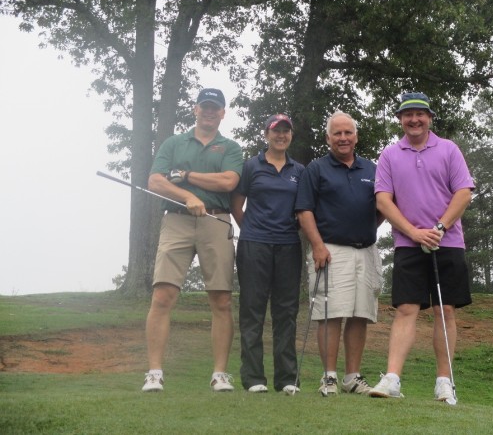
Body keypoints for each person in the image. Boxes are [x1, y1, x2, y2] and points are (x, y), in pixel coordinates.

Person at [369, 92, 474, 403]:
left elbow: (464, 193)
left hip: (448, 242)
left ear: (429, 118)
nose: (414, 119)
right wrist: (415, 232)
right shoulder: (389, 154)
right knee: (406, 309)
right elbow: (382, 200)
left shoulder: (449, 149)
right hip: (407, 242)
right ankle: (392, 379)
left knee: (446, 311)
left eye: (420, 114)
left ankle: (444, 382)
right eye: (407, 114)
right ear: (401, 120)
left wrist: (438, 228)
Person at [142, 88, 243, 393]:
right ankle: (155, 373)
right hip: (176, 220)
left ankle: (220, 374)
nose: (210, 112)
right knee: (162, 296)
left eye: (216, 108)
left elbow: (229, 181)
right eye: (205, 107)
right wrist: (186, 195)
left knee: (221, 300)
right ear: (196, 109)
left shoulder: (230, 147)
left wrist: (185, 175)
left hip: (216, 220)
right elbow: (155, 180)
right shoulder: (174, 143)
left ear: (223, 113)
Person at [295, 110, 383, 397]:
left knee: (360, 314)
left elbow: (381, 208)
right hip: (330, 250)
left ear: (356, 136)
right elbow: (304, 210)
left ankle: (352, 378)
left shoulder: (372, 169)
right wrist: (318, 245)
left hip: (366, 251)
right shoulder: (316, 169)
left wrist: (366, 228)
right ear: (328, 138)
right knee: (330, 313)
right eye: (337, 133)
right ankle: (329, 377)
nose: (343, 138)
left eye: (348, 133)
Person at [231, 114, 305, 395]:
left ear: (290, 136)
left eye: (286, 131)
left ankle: (287, 379)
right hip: (254, 245)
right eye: (276, 131)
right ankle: (253, 379)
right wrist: (252, 229)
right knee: (252, 310)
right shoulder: (251, 166)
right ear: (266, 134)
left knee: (286, 312)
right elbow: (237, 205)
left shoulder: (300, 170)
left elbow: (304, 208)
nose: (281, 135)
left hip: (288, 245)